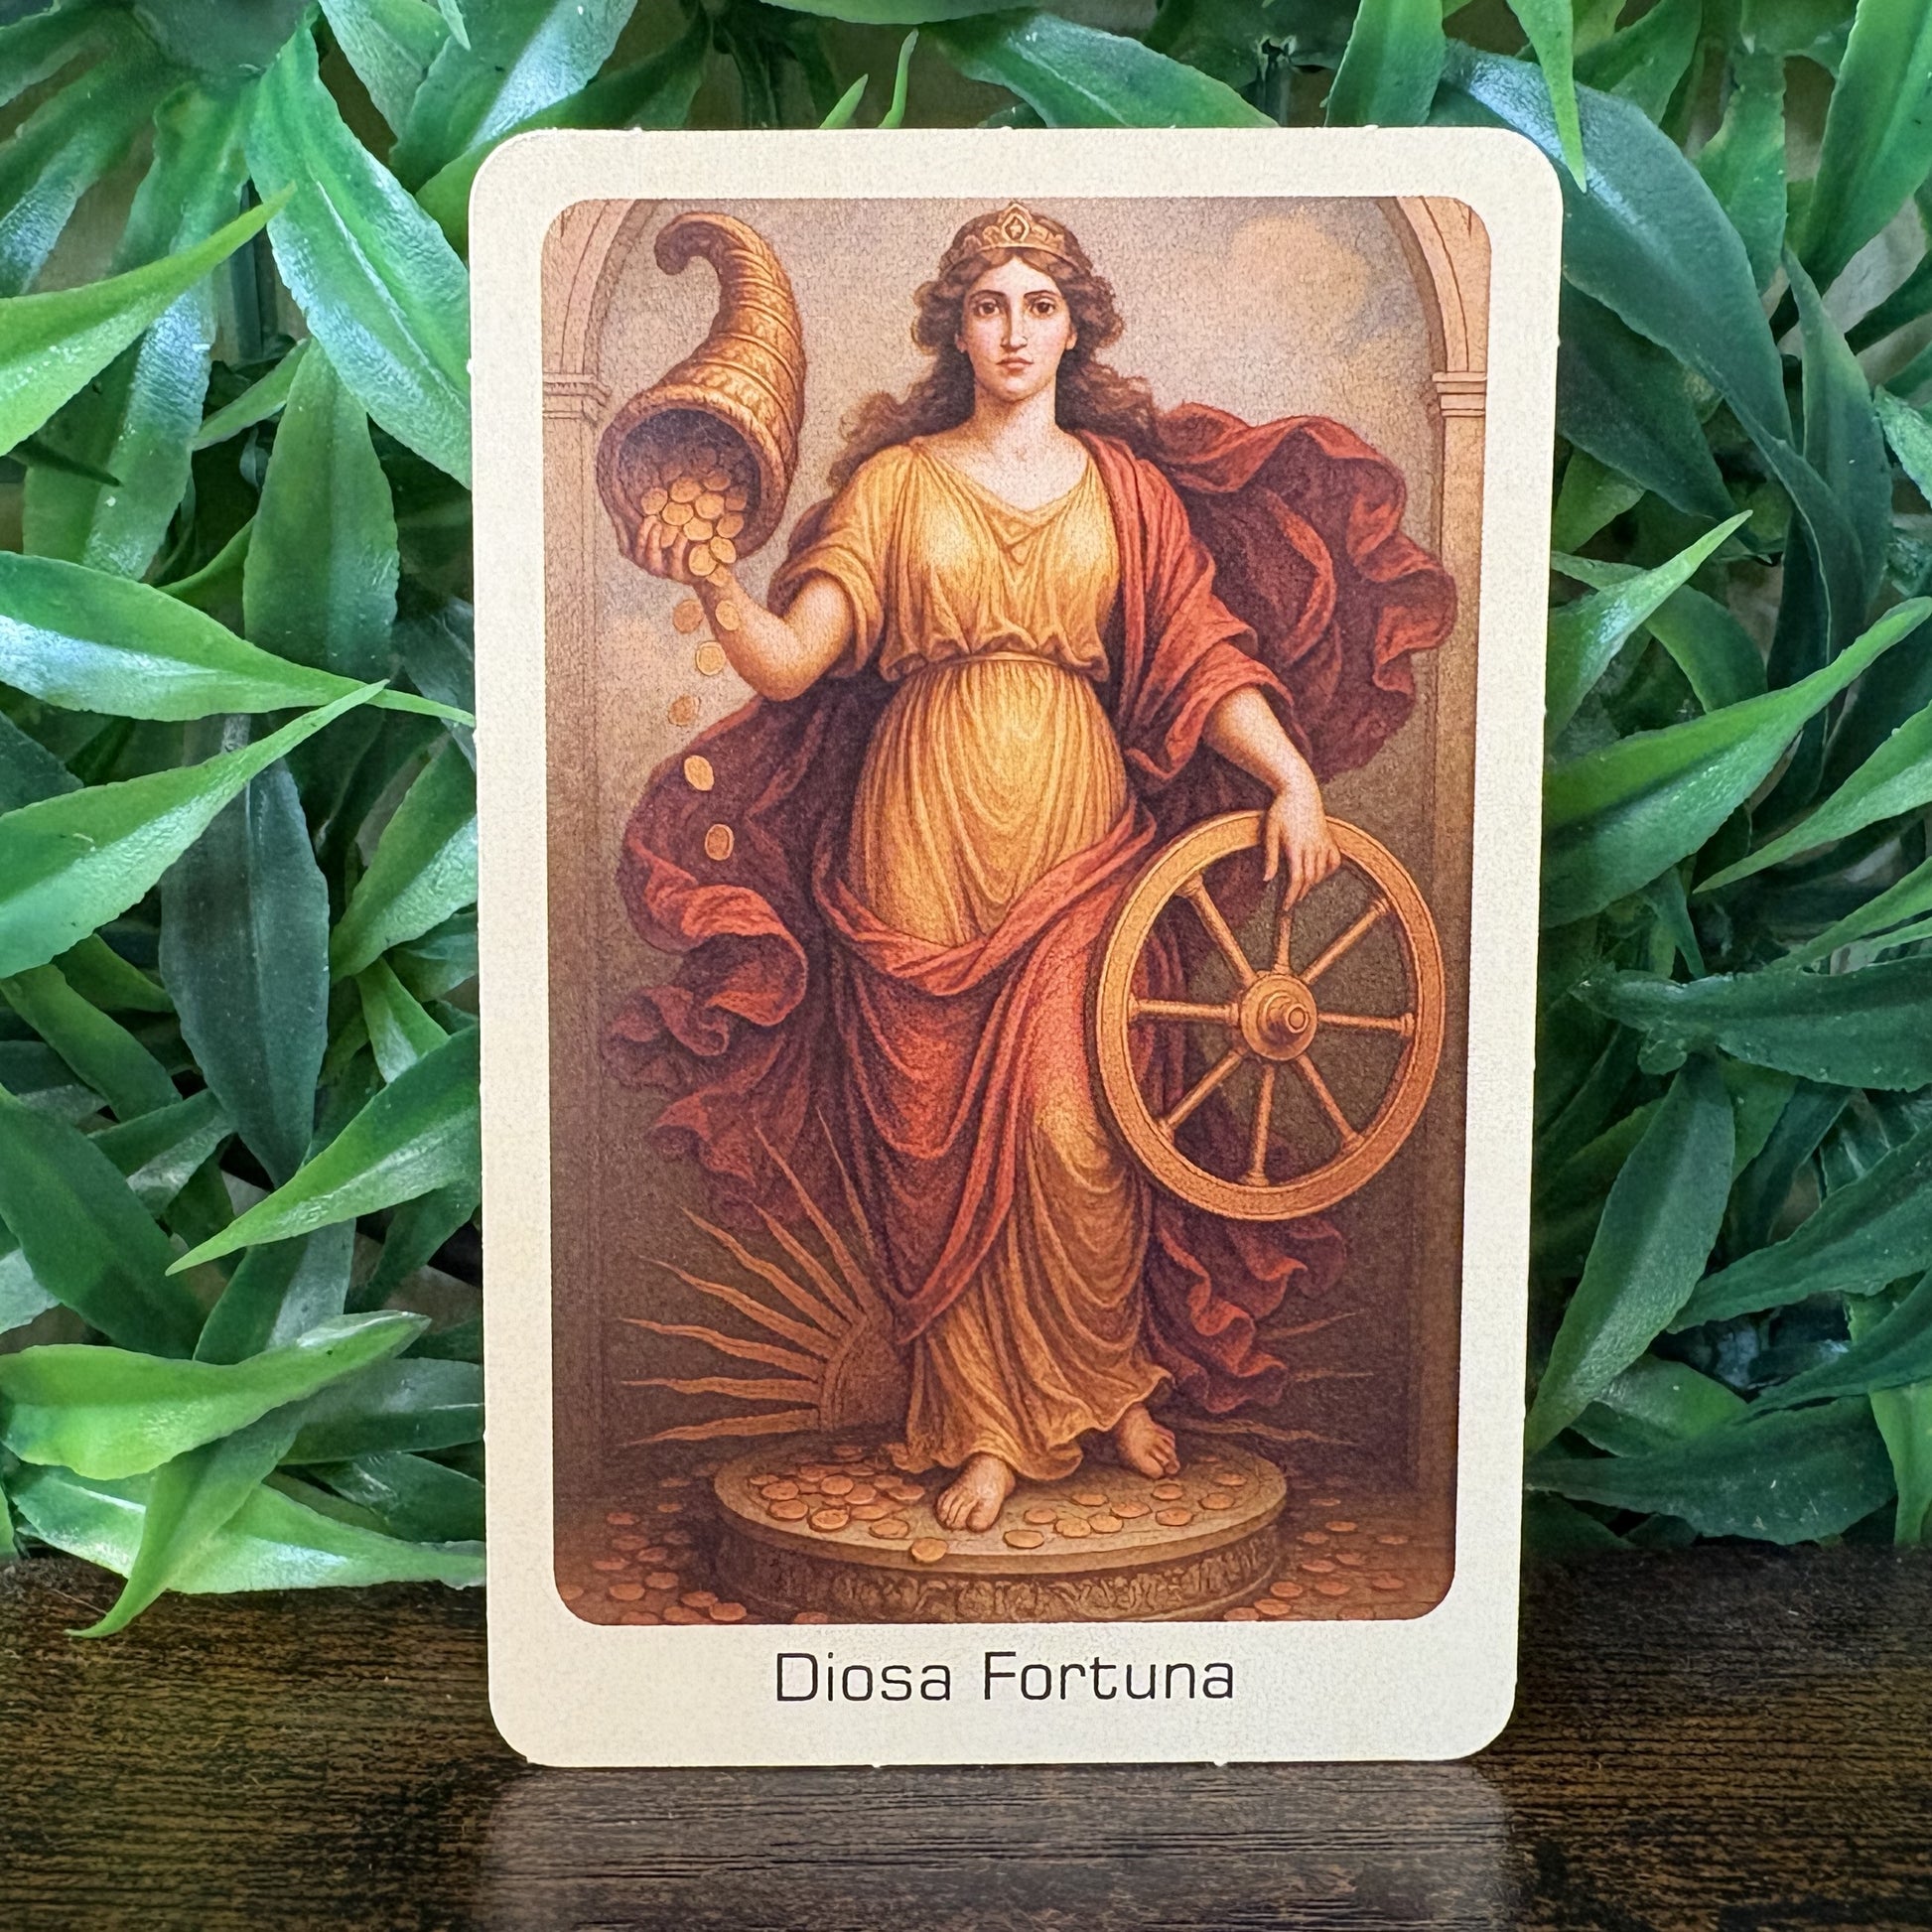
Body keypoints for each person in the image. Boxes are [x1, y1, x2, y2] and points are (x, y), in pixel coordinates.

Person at [611, 206, 1455, 1532]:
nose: (1013, 330)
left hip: (1075, 828)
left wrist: (1291, 774)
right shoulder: (896, 487)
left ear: (1075, 326)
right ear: (956, 328)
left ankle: (1107, 1386)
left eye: (1038, 304)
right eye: (988, 304)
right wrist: (719, 586)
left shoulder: (1127, 490)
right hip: (914, 837)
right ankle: (981, 1428)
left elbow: (1200, 657)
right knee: (931, 1145)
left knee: (1077, 1127)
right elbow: (791, 664)